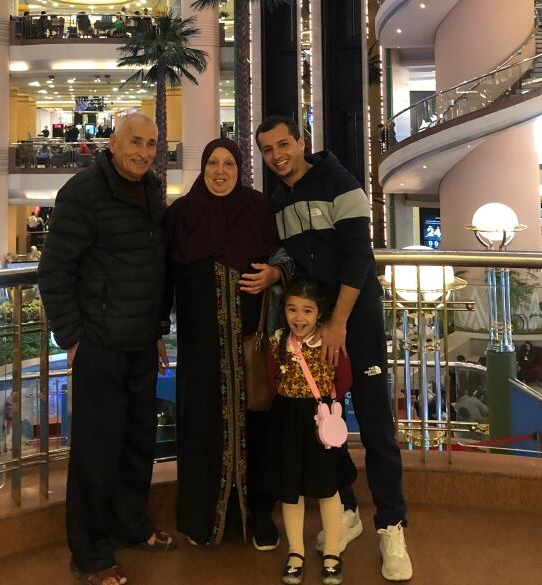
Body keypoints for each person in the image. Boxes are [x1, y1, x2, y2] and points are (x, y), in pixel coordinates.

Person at [256, 116, 412, 581]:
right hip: (316, 330)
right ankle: (344, 506)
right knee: (322, 420)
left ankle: (391, 524)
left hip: (354, 321)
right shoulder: (279, 200)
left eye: (284, 144)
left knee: (376, 421)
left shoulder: (341, 183)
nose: (277, 155)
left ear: (302, 142)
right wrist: (276, 276)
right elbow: (298, 262)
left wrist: (340, 321)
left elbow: (359, 256)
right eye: (267, 149)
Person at [38, 112, 172, 585]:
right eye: (136, 141)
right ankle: (91, 553)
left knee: (137, 444)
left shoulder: (153, 189)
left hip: (139, 344)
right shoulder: (82, 192)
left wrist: (157, 328)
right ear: (113, 142)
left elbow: (155, 265)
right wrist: (72, 338)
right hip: (99, 346)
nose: (144, 151)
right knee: (96, 454)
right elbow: (54, 271)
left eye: (152, 144)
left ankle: (129, 524)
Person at [160, 138, 287, 548]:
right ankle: (203, 519)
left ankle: (259, 517)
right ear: (202, 167)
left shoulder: (257, 208)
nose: (220, 171)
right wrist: (158, 328)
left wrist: (275, 275)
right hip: (200, 351)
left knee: (260, 427)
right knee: (203, 428)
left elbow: (286, 258)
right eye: (212, 163)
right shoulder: (181, 215)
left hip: (250, 346)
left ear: (239, 168)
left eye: (228, 163)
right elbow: (163, 277)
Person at [265, 279, 354, 585]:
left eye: (307, 310)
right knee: (292, 490)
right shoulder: (277, 341)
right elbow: (273, 379)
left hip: (321, 423)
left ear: (320, 313)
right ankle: (295, 552)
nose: (298, 318)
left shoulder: (329, 340)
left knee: (328, 489)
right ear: (284, 311)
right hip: (287, 421)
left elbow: (344, 379)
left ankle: (332, 551)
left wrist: (326, 405)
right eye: (292, 309)